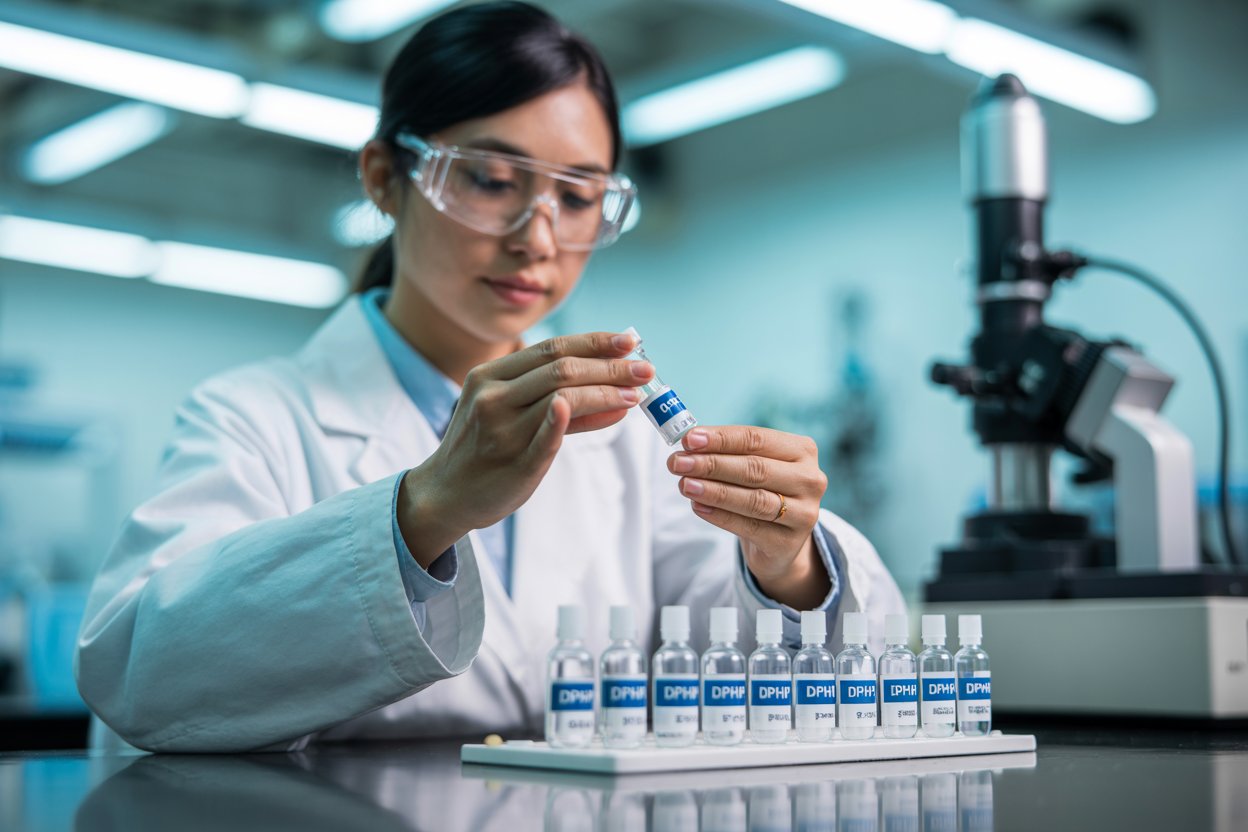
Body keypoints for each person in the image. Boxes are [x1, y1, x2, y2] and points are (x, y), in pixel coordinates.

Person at [75, 1, 904, 753]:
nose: (537, 237)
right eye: (491, 179)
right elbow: (138, 677)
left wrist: (787, 563)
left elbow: (786, 684)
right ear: (383, 180)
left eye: (579, 196)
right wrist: (422, 510)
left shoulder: (622, 439)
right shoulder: (255, 418)